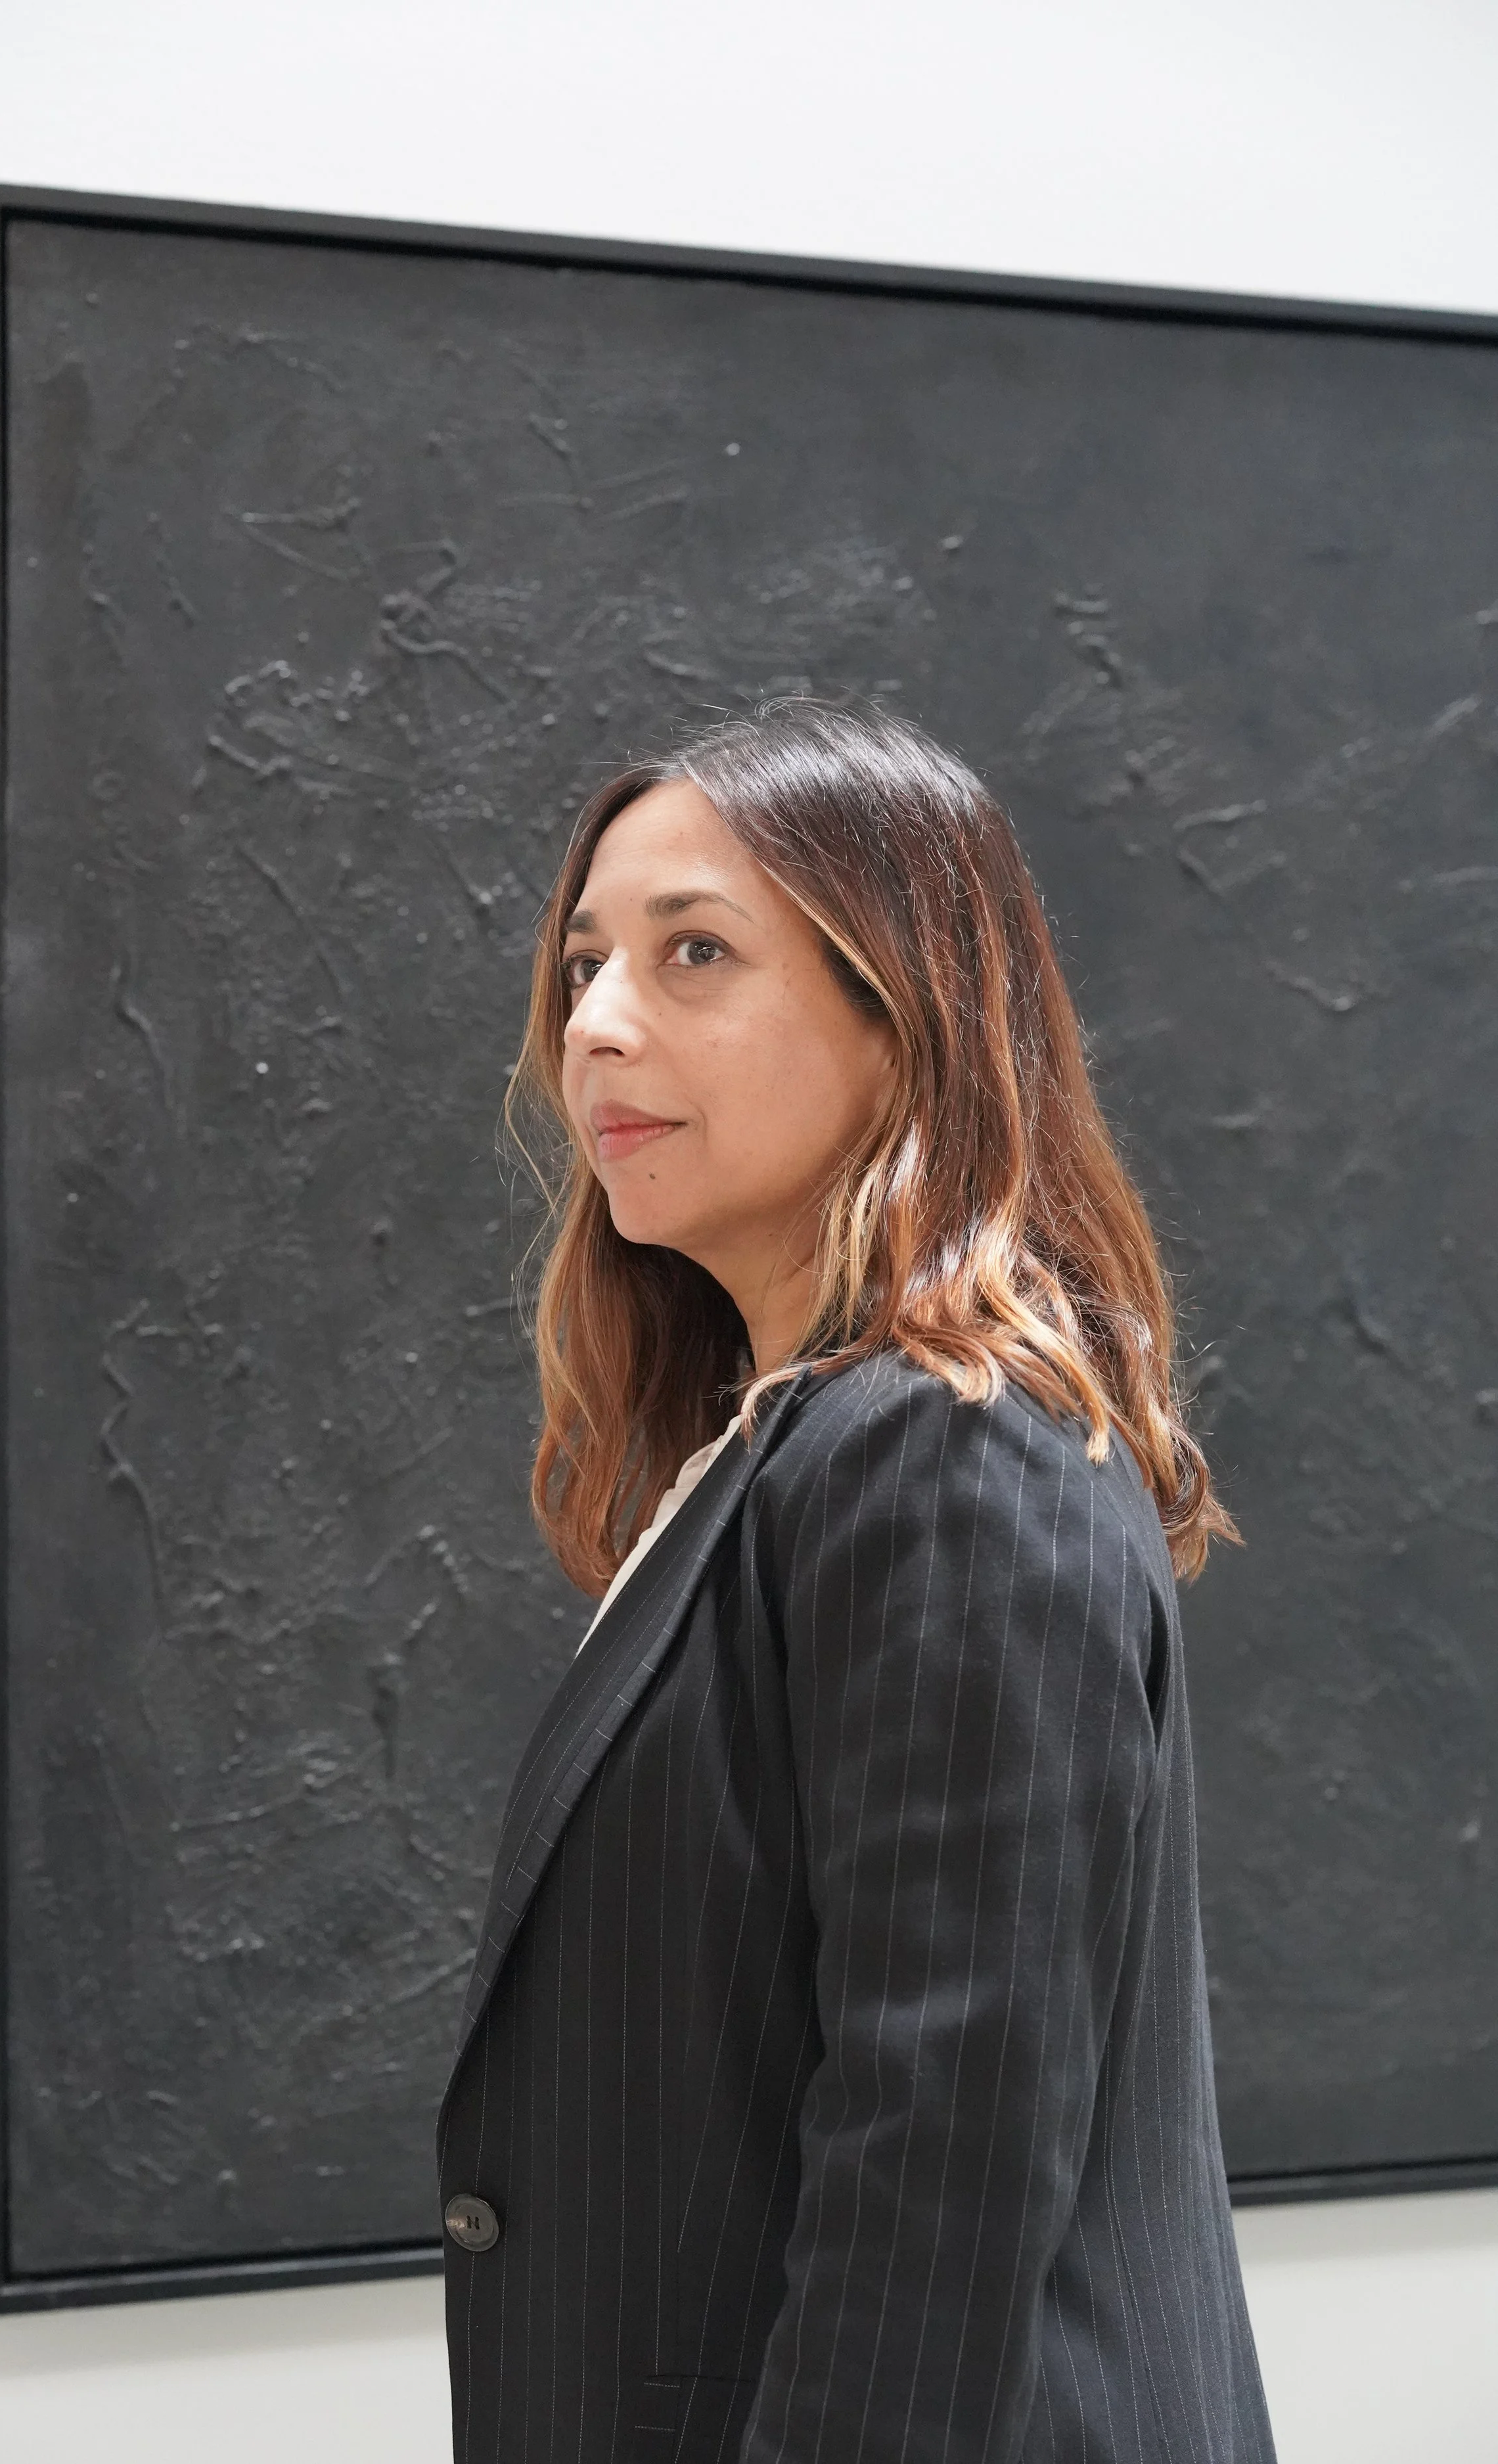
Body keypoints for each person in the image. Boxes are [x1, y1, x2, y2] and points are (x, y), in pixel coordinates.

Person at [436, 700, 1277, 2463]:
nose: (595, 1024)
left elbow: (942, 2159)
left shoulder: (945, 1456)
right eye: (584, 963)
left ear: (907, 1017)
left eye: (693, 952)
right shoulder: (797, 1440)